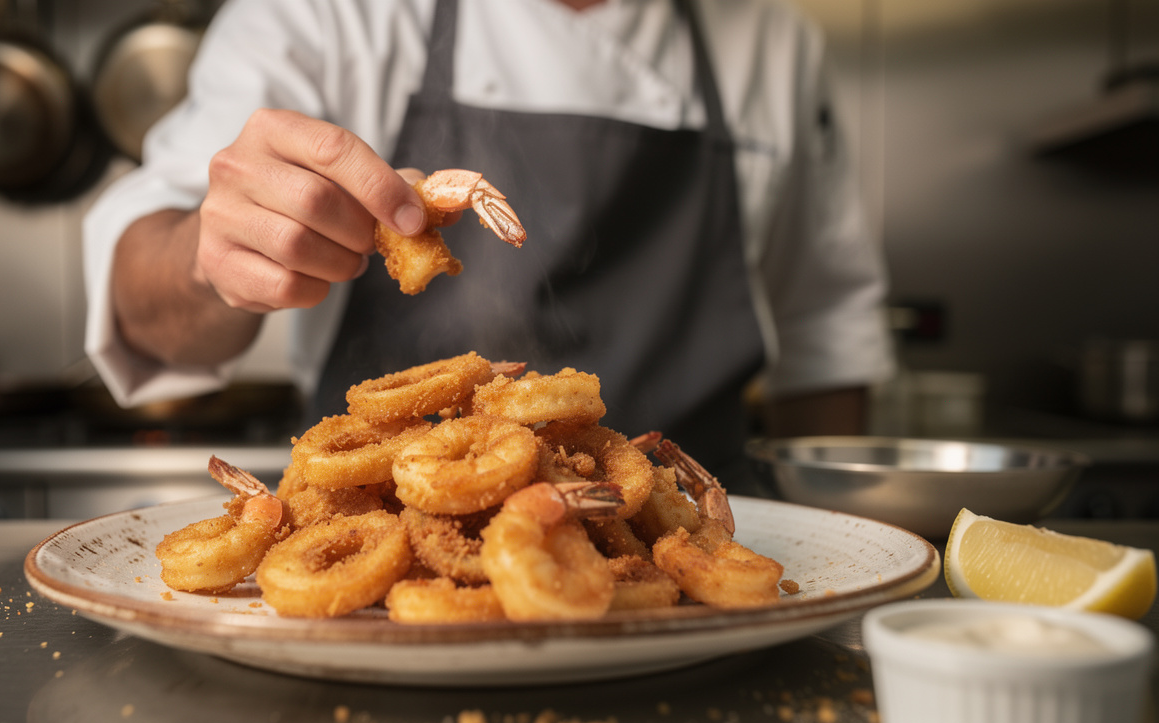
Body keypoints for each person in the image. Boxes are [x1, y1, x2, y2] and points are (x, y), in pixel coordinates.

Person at [83, 0, 894, 490]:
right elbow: (147, 307)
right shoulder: (325, 17)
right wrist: (208, 255)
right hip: (382, 587)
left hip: (696, 551)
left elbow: (828, 338)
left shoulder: (774, 44)